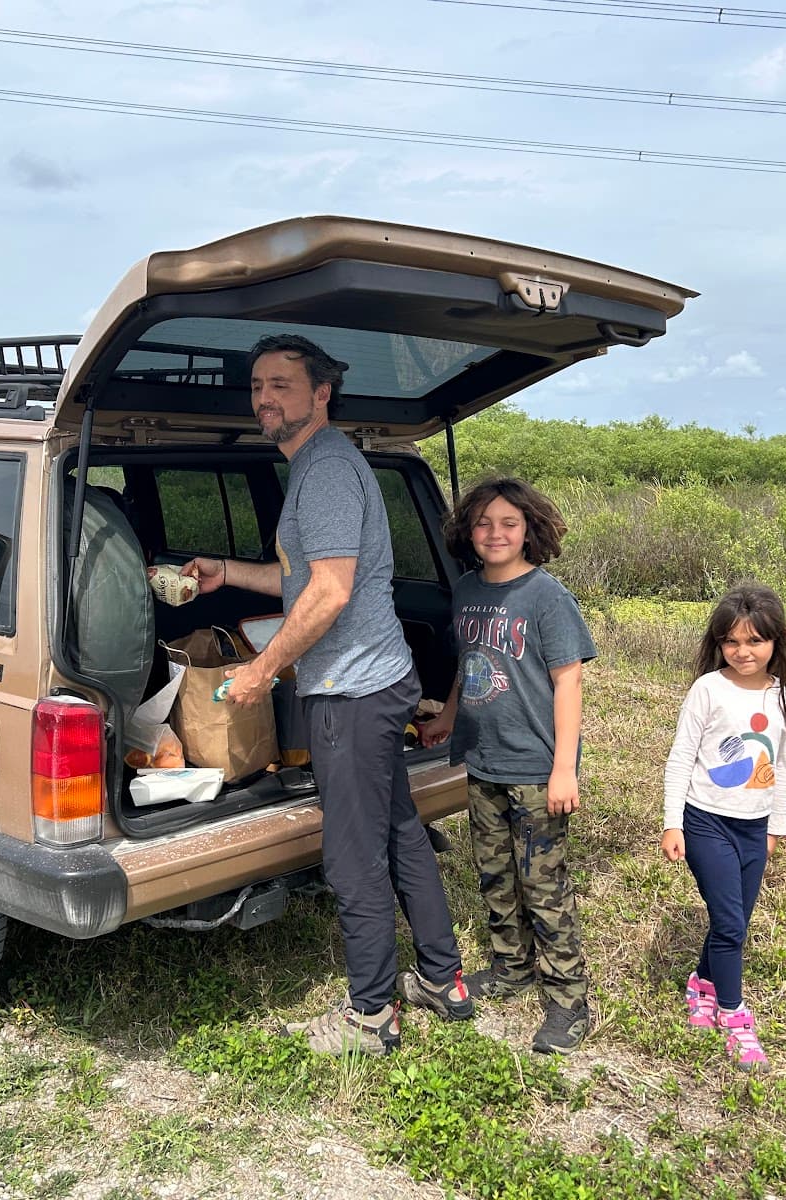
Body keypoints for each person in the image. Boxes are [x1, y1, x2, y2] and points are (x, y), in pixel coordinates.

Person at [178, 333, 470, 1057]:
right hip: (378, 680)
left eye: (281, 384)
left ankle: (372, 1015)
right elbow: (309, 577)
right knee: (400, 830)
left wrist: (262, 669)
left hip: (354, 691)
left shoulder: (329, 469)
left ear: (320, 395)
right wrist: (229, 575)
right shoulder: (314, 466)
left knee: (350, 856)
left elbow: (332, 593)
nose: (265, 398)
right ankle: (442, 979)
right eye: (257, 386)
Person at [418, 477, 596, 1054]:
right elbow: (469, 662)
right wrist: (448, 714)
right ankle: (511, 967)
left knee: (542, 885)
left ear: (530, 531)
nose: (496, 533)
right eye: (484, 523)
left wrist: (562, 767)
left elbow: (568, 683)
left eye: (509, 523)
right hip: (482, 757)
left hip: (535, 765)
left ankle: (569, 1001)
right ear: (468, 531)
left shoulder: (547, 597)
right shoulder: (467, 589)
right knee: (494, 870)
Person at [661, 583, 786, 1073]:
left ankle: (701, 982)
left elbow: (785, 766)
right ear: (719, 643)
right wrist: (672, 823)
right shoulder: (708, 689)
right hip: (704, 821)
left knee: (733, 917)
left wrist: (775, 827)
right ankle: (734, 1015)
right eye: (732, 642)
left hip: (754, 826)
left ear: (775, 641)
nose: (744, 652)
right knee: (731, 925)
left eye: (755, 641)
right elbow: (681, 757)